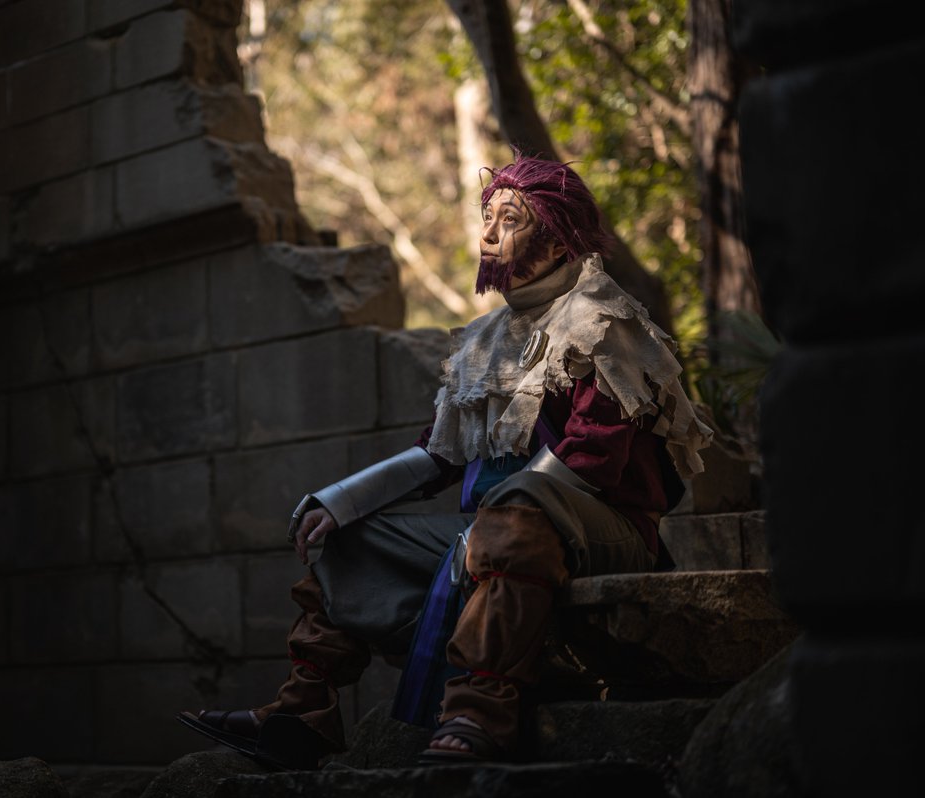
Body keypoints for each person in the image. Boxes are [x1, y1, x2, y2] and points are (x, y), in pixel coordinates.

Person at [177, 153, 712, 768]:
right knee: (351, 539)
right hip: (494, 528)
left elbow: (595, 457)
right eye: (487, 217)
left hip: (604, 530)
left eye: (510, 219)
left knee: (514, 517)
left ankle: (479, 712)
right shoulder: (486, 338)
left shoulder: (603, 320)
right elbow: (440, 450)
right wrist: (340, 503)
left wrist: (499, 518)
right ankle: (302, 714)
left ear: (557, 238)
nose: (487, 234)